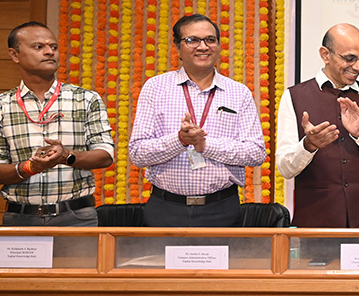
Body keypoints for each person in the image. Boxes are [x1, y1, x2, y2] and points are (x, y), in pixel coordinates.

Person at [128, 14, 266, 227]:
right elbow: (137, 153)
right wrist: (180, 141)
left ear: (218, 46)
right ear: (177, 47)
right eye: (192, 40)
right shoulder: (155, 88)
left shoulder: (239, 93)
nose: (203, 47)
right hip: (165, 209)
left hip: (221, 209)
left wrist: (206, 145)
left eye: (210, 40)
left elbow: (256, 153)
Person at [276, 23, 359, 228]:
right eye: (349, 58)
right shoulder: (294, 97)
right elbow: (285, 168)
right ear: (325, 55)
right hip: (317, 222)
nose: (358, 67)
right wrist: (308, 145)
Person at [0, 21, 114, 226]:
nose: (49, 52)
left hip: (77, 217)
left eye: (53, 47)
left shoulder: (86, 99)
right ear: (14, 55)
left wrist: (66, 157)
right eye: (38, 47)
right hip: (21, 218)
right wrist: (30, 167)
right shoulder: (3, 106)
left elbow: (105, 155)